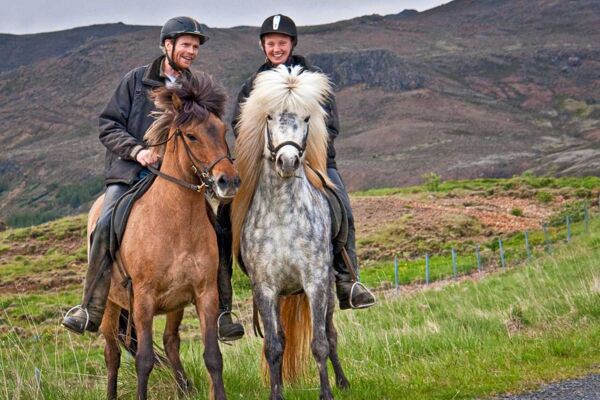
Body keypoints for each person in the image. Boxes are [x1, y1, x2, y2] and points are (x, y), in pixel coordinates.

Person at [62, 16, 245, 341]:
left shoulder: (197, 88)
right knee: (105, 223)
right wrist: (136, 151)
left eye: (195, 46)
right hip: (131, 172)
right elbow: (108, 124)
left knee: (217, 230)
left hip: (180, 179)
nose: (191, 51)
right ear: (167, 45)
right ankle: (90, 307)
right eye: (186, 44)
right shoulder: (135, 81)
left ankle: (223, 314)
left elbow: (207, 130)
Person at [219, 14, 376, 310]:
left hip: (313, 159)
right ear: (262, 46)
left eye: (281, 43)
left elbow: (331, 126)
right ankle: (224, 307)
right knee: (224, 216)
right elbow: (239, 126)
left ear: (292, 44)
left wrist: (302, 152)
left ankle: (348, 281)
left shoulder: (313, 80)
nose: (276, 48)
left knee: (341, 203)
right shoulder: (253, 85)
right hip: (263, 165)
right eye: (270, 43)